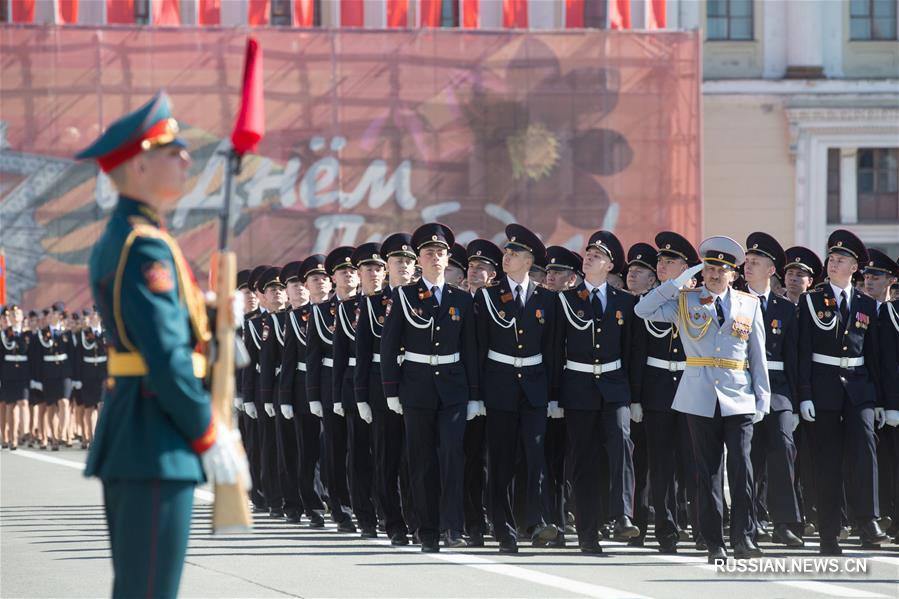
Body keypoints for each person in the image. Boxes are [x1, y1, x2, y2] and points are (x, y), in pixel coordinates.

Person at [77, 91, 247, 598]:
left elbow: (160, 327)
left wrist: (213, 314)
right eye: (172, 151)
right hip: (155, 438)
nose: (186, 159)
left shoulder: (138, 236)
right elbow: (165, 355)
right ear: (140, 165)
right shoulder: (144, 244)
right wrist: (207, 432)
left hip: (144, 434)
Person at [635, 235, 770, 563]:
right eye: (709, 268)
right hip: (699, 395)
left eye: (721, 270)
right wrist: (679, 281)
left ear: (733, 274)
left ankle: (744, 537)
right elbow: (643, 309)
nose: (713, 274)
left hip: (738, 395)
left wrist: (762, 397)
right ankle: (714, 543)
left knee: (742, 470)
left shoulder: (748, 305)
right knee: (707, 473)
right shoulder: (685, 300)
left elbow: (757, 354)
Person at [380, 223, 479, 552]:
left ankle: (453, 525)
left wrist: (474, 395)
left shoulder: (461, 300)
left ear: (448, 258)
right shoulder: (405, 297)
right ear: (419, 260)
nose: (435, 257)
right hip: (417, 387)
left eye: (440, 252)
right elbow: (390, 346)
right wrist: (391, 391)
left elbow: (470, 351)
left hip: (453, 388)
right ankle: (428, 530)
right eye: (428, 253)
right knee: (421, 461)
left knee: (452, 454)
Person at [797, 230, 889, 554]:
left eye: (840, 260)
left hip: (860, 387)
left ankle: (868, 520)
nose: (833, 263)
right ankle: (829, 533)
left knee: (865, 448)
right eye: (831, 258)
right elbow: (802, 350)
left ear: (854, 267)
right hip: (823, 388)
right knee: (828, 461)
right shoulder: (811, 300)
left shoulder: (867, 304)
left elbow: (875, 355)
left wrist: (879, 401)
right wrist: (804, 393)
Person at [556, 230, 640, 554]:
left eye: (597, 255)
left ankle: (621, 515)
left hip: (615, 386)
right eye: (588, 253)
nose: (589, 257)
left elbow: (632, 351)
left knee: (621, 439)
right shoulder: (565, 300)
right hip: (578, 388)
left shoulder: (625, 302)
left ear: (609, 266)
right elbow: (555, 351)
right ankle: (588, 533)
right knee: (584, 461)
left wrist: (635, 397)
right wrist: (554, 396)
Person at [630, 232, 700, 553]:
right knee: (661, 467)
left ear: (686, 267)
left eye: (669, 261)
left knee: (694, 463)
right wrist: (636, 397)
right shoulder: (652, 299)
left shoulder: (701, 299)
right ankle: (666, 531)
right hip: (657, 391)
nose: (661, 265)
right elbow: (638, 351)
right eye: (660, 260)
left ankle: (702, 528)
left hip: (691, 386)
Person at [355, 233, 418, 545]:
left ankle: (419, 519)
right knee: (387, 459)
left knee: (417, 458)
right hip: (382, 390)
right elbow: (363, 354)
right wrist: (361, 396)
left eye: (409, 260)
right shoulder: (374, 304)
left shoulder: (425, 298)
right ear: (387, 267)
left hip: (420, 386)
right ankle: (393, 522)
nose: (404, 265)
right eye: (397, 261)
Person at [743, 233, 804, 547]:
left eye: (756, 262)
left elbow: (793, 358)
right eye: (747, 261)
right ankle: (748, 522)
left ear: (771, 270)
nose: (748, 266)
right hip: (741, 388)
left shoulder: (785, 308)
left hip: (778, 391)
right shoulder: (733, 300)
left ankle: (784, 522)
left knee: (782, 450)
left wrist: (795, 403)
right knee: (747, 457)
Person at [333, 243, 383, 538]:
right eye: (368, 269)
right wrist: (339, 397)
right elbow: (340, 357)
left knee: (388, 455)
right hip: (355, 388)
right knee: (360, 456)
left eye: (379, 268)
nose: (374, 274)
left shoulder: (395, 301)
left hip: (388, 386)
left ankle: (389, 509)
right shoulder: (348, 308)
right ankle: (363, 515)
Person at [307, 246, 358, 532]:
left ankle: (364, 502)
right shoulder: (322, 312)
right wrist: (314, 394)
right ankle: (341, 509)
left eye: (353, 270)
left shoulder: (370, 305)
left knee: (363, 450)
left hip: (363, 381)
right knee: (335, 449)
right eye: (342, 271)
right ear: (333, 278)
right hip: (331, 385)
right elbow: (313, 357)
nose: (348, 275)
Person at [277, 255, 330, 528]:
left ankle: (337, 498)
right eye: (313, 279)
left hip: (332, 384)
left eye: (323, 277)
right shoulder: (296, 317)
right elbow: (287, 360)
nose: (318, 282)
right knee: (307, 450)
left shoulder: (336, 310)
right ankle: (313, 505)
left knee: (332, 449)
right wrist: (285, 397)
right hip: (301, 389)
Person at [461, 238, 503, 546]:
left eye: (483, 267)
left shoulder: (501, 303)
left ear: (494, 275)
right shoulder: (458, 300)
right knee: (470, 459)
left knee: (498, 459)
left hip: (498, 390)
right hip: (463, 392)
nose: (475, 271)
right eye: (472, 266)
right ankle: (472, 521)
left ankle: (497, 517)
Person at [1, 305, 30, 450]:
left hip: (24, 373)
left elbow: (33, 356)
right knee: (10, 406)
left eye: (18, 313)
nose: (15, 316)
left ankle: (24, 432)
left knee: (24, 402)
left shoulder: (28, 335)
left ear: (22, 317)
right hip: (8, 374)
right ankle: (11, 437)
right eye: (12, 314)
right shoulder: (4, 334)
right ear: (10, 318)